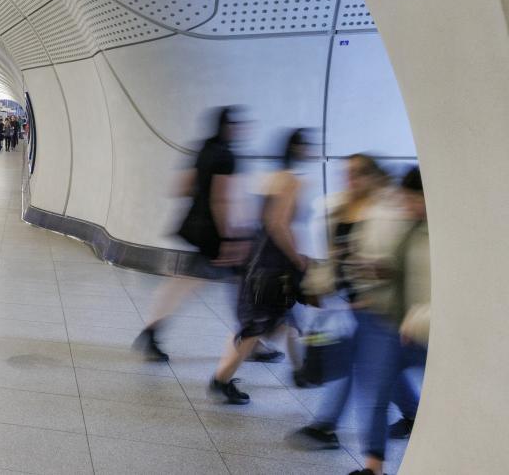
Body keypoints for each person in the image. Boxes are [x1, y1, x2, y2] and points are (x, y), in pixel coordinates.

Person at [290, 155, 410, 451]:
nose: (350, 179)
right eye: (347, 173)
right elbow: (335, 256)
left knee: (367, 369)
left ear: (372, 176)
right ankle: (330, 426)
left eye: (356, 174)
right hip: (346, 303)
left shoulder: (388, 212)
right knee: (361, 365)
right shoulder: (341, 207)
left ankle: (329, 427)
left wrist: (375, 280)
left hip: (377, 305)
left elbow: (397, 262)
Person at [207, 129, 314, 404]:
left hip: (258, 258)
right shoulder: (291, 181)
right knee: (255, 325)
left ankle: (302, 371)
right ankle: (221, 379)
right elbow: (277, 223)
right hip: (271, 263)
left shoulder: (271, 177)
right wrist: (296, 257)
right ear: (299, 149)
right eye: (309, 146)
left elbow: (260, 218)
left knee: (285, 317)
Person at [134, 107, 249, 362]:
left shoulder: (204, 150)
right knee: (198, 284)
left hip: (197, 228)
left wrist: (200, 202)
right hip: (216, 235)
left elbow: (182, 187)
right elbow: (222, 200)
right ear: (229, 128)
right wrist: (229, 239)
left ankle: (152, 330)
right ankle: (251, 336)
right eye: (239, 125)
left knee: (186, 283)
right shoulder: (226, 156)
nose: (243, 130)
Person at [345, 166, 428, 475]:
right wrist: (378, 271)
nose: (407, 206)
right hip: (394, 322)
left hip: (423, 328)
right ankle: (374, 467)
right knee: (378, 389)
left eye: (412, 200)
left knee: (386, 385)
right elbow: (400, 269)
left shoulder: (440, 236)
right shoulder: (408, 225)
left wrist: (420, 320)